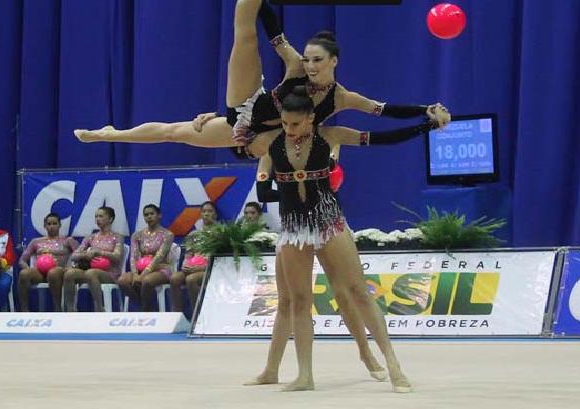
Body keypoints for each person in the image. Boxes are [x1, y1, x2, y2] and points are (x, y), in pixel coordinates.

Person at [242, 83, 438, 392]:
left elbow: (384, 139)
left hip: (329, 224)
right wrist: (205, 119)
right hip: (294, 229)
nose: (290, 130)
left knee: (358, 292)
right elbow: (232, 132)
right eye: (284, 123)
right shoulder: (270, 143)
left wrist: (426, 125)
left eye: (295, 124)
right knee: (299, 302)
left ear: (310, 118)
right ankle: (305, 374)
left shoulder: (331, 136)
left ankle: (393, 364)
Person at [73, 0, 449, 151]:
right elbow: (269, 24)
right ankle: (111, 133)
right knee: (244, 31)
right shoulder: (296, 66)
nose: (311, 65)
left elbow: (385, 113)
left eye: (318, 60)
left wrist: (425, 112)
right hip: (247, 107)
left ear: (334, 62)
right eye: (309, 59)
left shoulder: (341, 98)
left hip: (265, 139)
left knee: (182, 135)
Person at [63, 207, 124, 312]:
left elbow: (117, 257)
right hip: (91, 271)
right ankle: (70, 310)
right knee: (70, 274)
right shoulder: (91, 237)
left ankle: (99, 308)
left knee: (91, 273)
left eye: (101, 216)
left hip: (110, 273)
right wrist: (85, 255)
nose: (97, 219)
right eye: (96, 216)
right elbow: (74, 256)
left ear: (110, 219)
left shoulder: (117, 237)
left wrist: (99, 252)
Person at [117, 204, 174, 312]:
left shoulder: (168, 235)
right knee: (122, 281)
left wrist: (142, 275)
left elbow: (159, 256)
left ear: (159, 215)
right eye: (146, 215)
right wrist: (135, 274)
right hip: (140, 269)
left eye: (152, 214)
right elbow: (133, 257)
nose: (149, 217)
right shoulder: (137, 235)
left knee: (147, 281)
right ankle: (145, 306)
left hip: (161, 269)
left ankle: (145, 311)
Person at [17, 213, 79, 312]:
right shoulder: (36, 241)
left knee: (53, 272)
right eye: (49, 224)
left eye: (54, 223)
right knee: (24, 274)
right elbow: (22, 260)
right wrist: (28, 269)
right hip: (40, 273)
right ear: (45, 226)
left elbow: (79, 255)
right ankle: (24, 311)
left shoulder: (67, 240)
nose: (51, 226)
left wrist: (72, 267)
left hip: (59, 271)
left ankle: (57, 309)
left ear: (60, 225)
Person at [170, 201, 218, 314]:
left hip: (210, 269)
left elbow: (219, 258)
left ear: (215, 215)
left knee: (191, 279)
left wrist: (203, 268)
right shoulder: (193, 234)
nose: (206, 214)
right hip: (192, 268)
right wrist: (186, 266)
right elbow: (188, 254)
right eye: (204, 211)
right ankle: (177, 315)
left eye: (210, 211)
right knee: (174, 278)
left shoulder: (220, 233)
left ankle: (197, 315)